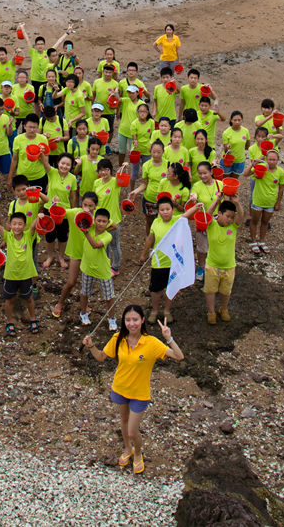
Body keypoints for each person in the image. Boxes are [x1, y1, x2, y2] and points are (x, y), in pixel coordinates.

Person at [82, 304, 184, 475]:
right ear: (124, 322)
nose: (132, 324)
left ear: (142, 320)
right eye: (128, 320)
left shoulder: (151, 343)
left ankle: (137, 453)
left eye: (135, 320)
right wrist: (91, 346)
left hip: (139, 394)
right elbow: (101, 357)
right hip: (120, 388)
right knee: (123, 421)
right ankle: (128, 449)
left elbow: (179, 356)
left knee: (132, 430)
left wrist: (169, 338)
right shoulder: (118, 338)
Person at [0, 208, 40, 336]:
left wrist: (39, 216)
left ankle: (33, 318)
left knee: (28, 298)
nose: (17, 227)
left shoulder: (29, 235)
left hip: (26, 275)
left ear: (24, 226)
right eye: (14, 224)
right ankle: (9, 321)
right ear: (10, 225)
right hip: (11, 275)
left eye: (20, 224)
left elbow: (34, 226)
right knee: (9, 299)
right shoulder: (8, 236)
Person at [52, 192, 98, 318]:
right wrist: (54, 202)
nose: (87, 208)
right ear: (81, 204)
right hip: (76, 253)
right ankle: (60, 303)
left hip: (90, 255)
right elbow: (60, 211)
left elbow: (112, 225)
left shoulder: (97, 218)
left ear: (96, 206)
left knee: (86, 284)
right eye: (85, 205)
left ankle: (84, 306)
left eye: (91, 206)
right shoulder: (75, 213)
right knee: (71, 282)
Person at [200, 196, 244, 325]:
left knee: (226, 291)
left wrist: (237, 203)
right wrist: (216, 201)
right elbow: (205, 215)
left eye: (232, 217)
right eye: (227, 216)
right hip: (212, 265)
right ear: (219, 214)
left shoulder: (233, 227)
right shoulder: (212, 225)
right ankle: (211, 311)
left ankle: (224, 309)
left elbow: (241, 217)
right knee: (210, 290)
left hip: (229, 266)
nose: (230, 220)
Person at [139, 196, 182, 324]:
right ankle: (154, 310)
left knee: (171, 287)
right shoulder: (156, 223)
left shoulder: (177, 221)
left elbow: (188, 214)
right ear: (158, 211)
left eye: (168, 209)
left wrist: (195, 203)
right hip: (158, 262)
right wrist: (143, 254)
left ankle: (167, 311)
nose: (165, 212)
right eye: (162, 209)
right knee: (156, 289)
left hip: (173, 262)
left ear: (172, 210)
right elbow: (150, 239)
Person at [77, 208, 117, 329]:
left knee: (109, 296)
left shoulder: (107, 236)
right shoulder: (91, 227)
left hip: (102, 270)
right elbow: (82, 217)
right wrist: (87, 212)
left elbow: (95, 245)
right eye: (98, 220)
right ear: (94, 220)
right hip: (87, 267)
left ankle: (111, 318)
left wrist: (86, 232)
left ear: (107, 222)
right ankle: (83, 313)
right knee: (85, 292)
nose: (101, 223)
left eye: (104, 221)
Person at [247, 149, 284, 254]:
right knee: (254, 221)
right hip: (258, 200)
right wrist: (253, 165)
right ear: (266, 159)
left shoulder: (280, 172)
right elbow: (246, 174)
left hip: (270, 202)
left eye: (274, 159)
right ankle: (253, 241)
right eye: (270, 159)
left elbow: (281, 188)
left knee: (265, 222)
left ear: (277, 160)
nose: (271, 161)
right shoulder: (261, 168)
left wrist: (278, 202)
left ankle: (262, 240)